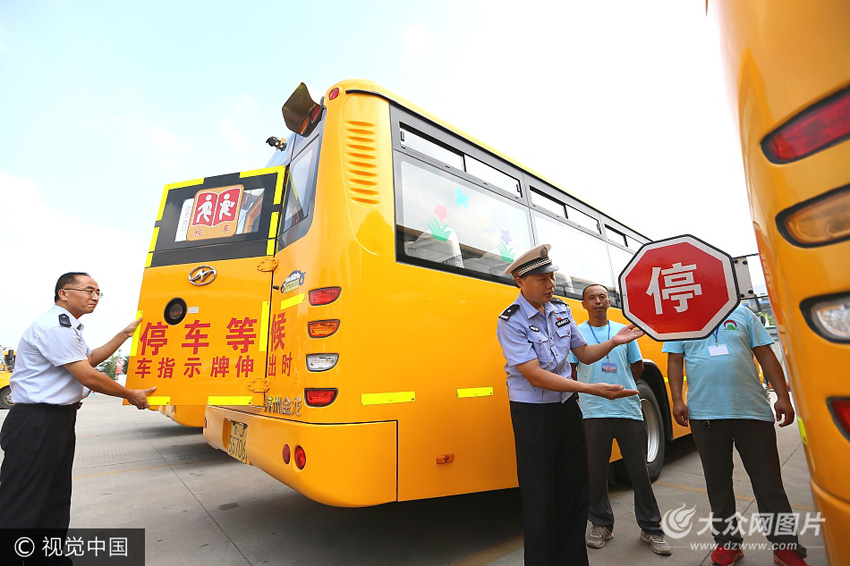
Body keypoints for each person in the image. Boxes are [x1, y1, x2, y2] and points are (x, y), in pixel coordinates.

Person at [496, 244, 643, 566]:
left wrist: (614, 341)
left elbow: (584, 353)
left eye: (551, 277)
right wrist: (590, 388)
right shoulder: (511, 320)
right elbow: (535, 375)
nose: (551, 284)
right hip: (534, 414)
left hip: (565, 409)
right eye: (542, 279)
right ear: (521, 281)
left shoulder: (561, 311)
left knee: (574, 490)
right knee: (541, 494)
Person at [0, 272, 156, 535]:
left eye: (98, 293)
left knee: (54, 497)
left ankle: (48, 559)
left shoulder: (69, 328)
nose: (94, 297)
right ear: (64, 293)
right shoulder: (54, 327)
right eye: (88, 290)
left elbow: (90, 359)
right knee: (22, 503)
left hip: (55, 421)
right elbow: (89, 376)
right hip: (37, 423)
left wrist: (123, 334)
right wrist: (130, 393)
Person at [663, 304, 808, 566]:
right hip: (705, 415)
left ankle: (785, 547)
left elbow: (765, 355)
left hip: (751, 411)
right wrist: (676, 400)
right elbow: (674, 360)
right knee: (718, 484)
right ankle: (728, 543)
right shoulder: (680, 318)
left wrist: (783, 397)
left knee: (769, 484)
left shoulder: (743, 313)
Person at [568, 284, 671, 556]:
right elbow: (572, 369)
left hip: (627, 410)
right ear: (583, 303)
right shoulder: (576, 332)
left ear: (609, 301)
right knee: (596, 472)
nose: (598, 301)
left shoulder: (623, 330)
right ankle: (601, 525)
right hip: (593, 412)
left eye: (603, 296)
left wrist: (622, 385)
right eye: (592, 297)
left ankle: (651, 528)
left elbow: (636, 366)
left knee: (639, 473)